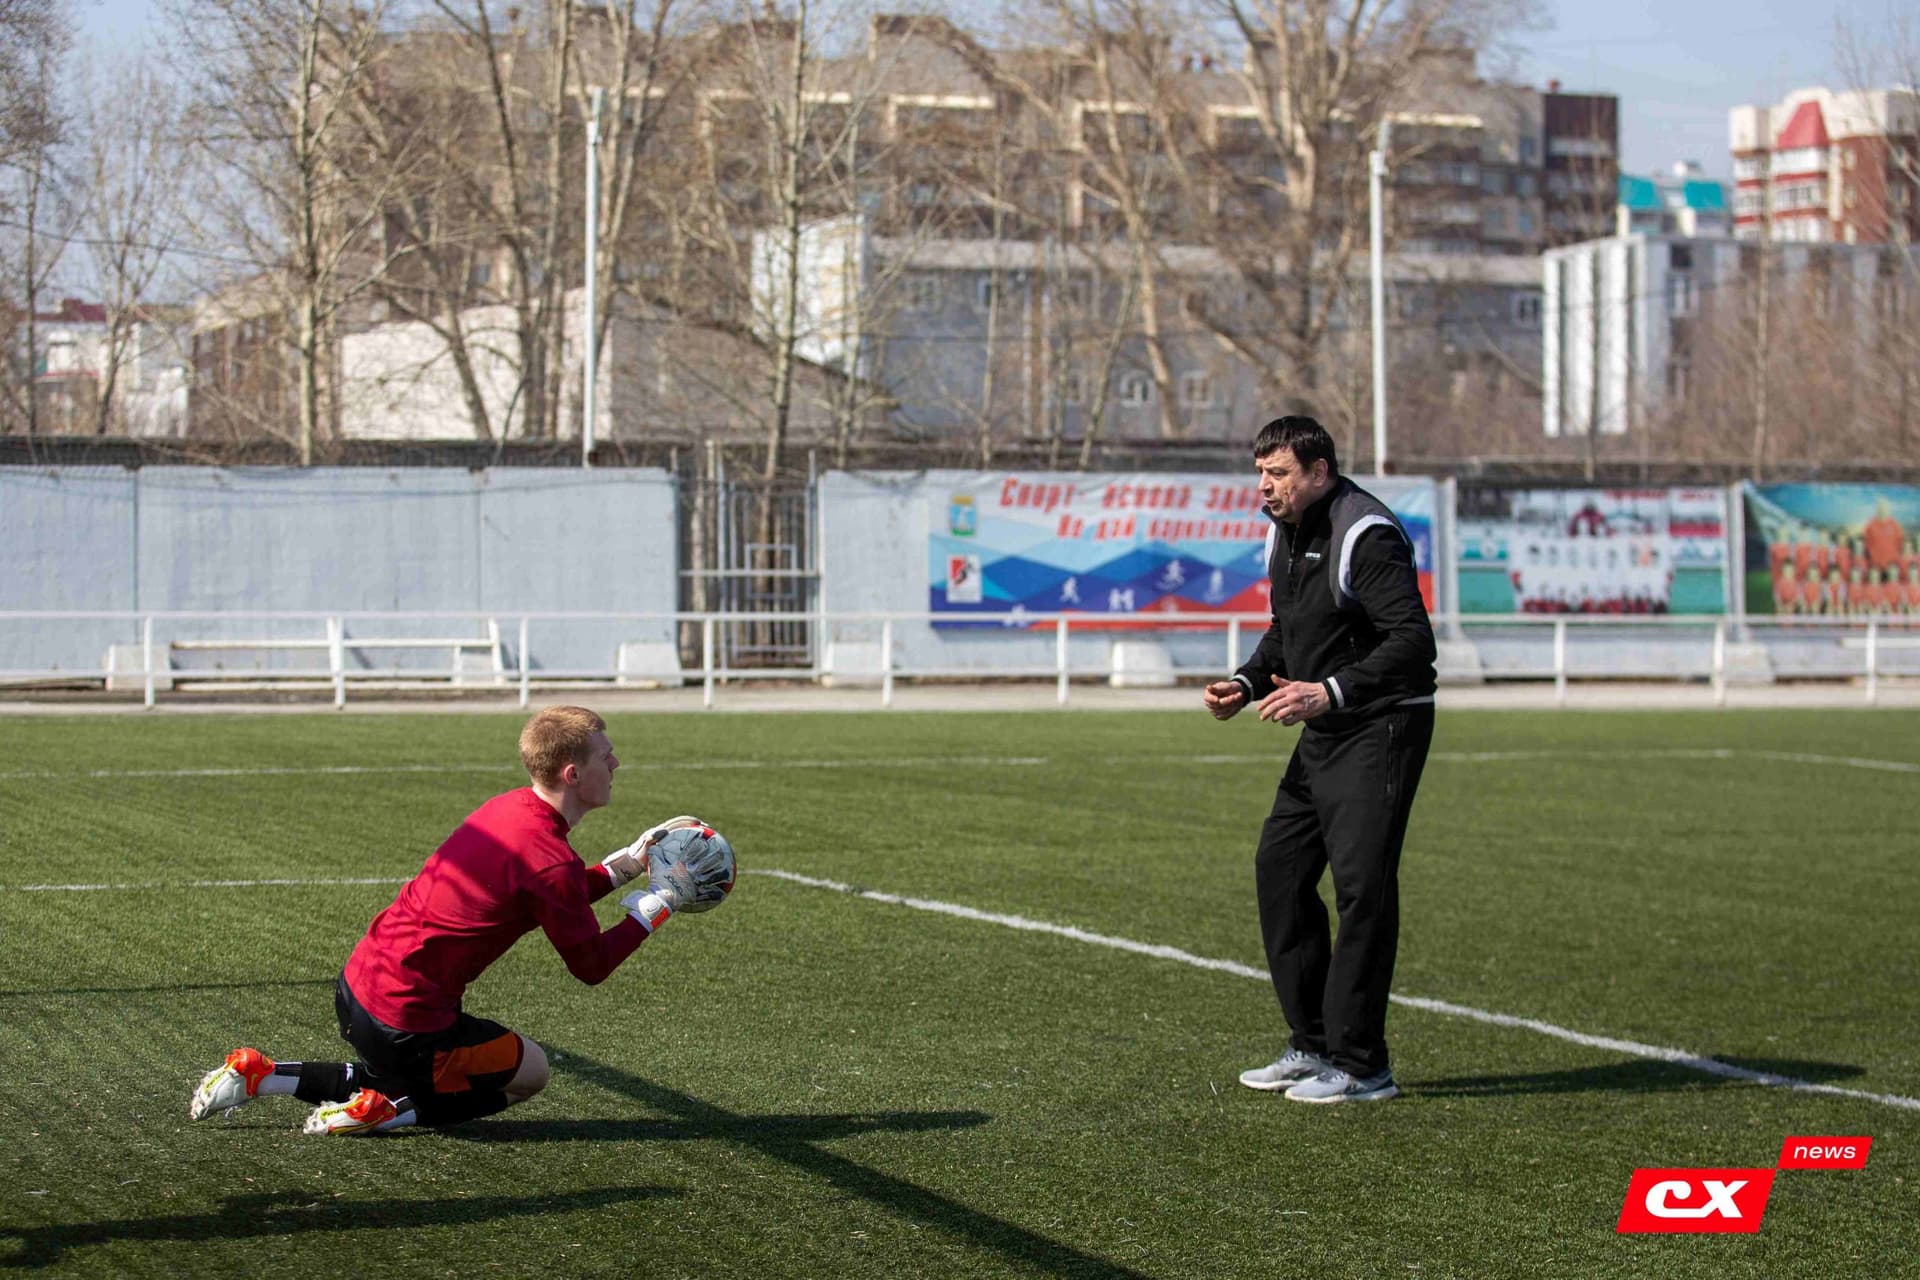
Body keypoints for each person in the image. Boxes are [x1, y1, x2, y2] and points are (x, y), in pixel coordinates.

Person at [187, 705, 732, 1135]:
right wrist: (661, 903)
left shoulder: (508, 808)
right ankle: (396, 1111)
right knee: (531, 1072)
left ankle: (260, 1075)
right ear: (573, 773)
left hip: (357, 988)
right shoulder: (549, 860)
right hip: (407, 1022)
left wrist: (627, 866)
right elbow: (590, 965)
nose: (615, 765)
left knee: (388, 1072)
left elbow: (554, 892)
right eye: (606, 757)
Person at [1203, 416, 1436, 1105]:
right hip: (1324, 725)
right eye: (1260, 472)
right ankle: (1311, 1045)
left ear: (1319, 472)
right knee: (1279, 869)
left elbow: (1412, 642)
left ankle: (1363, 1065)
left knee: (1362, 889)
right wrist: (1245, 683)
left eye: (1277, 473)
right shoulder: (1284, 530)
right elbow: (1288, 631)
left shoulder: (1368, 533)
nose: (1264, 485)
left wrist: (1328, 691)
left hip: (1380, 726)